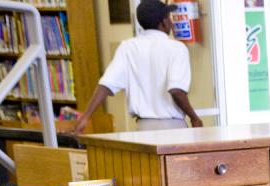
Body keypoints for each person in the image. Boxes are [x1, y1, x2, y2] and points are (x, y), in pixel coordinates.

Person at [72, 1, 203, 133]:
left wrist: (85, 117)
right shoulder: (177, 48)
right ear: (163, 22)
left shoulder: (127, 47)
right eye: (169, 18)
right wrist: (194, 118)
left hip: (143, 128)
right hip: (173, 128)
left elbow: (106, 85)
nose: (171, 22)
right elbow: (176, 91)